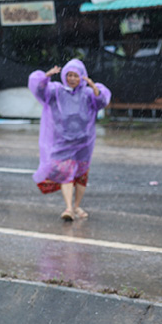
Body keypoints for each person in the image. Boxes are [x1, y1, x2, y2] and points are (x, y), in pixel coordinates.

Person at [28, 58, 111, 221]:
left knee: (81, 175)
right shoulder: (56, 91)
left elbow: (101, 101)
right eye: (69, 75)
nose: (72, 78)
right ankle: (68, 208)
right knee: (66, 173)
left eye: (76, 75)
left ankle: (76, 206)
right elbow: (39, 90)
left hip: (84, 143)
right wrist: (46, 77)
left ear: (82, 76)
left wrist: (94, 87)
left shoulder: (87, 93)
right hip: (62, 141)